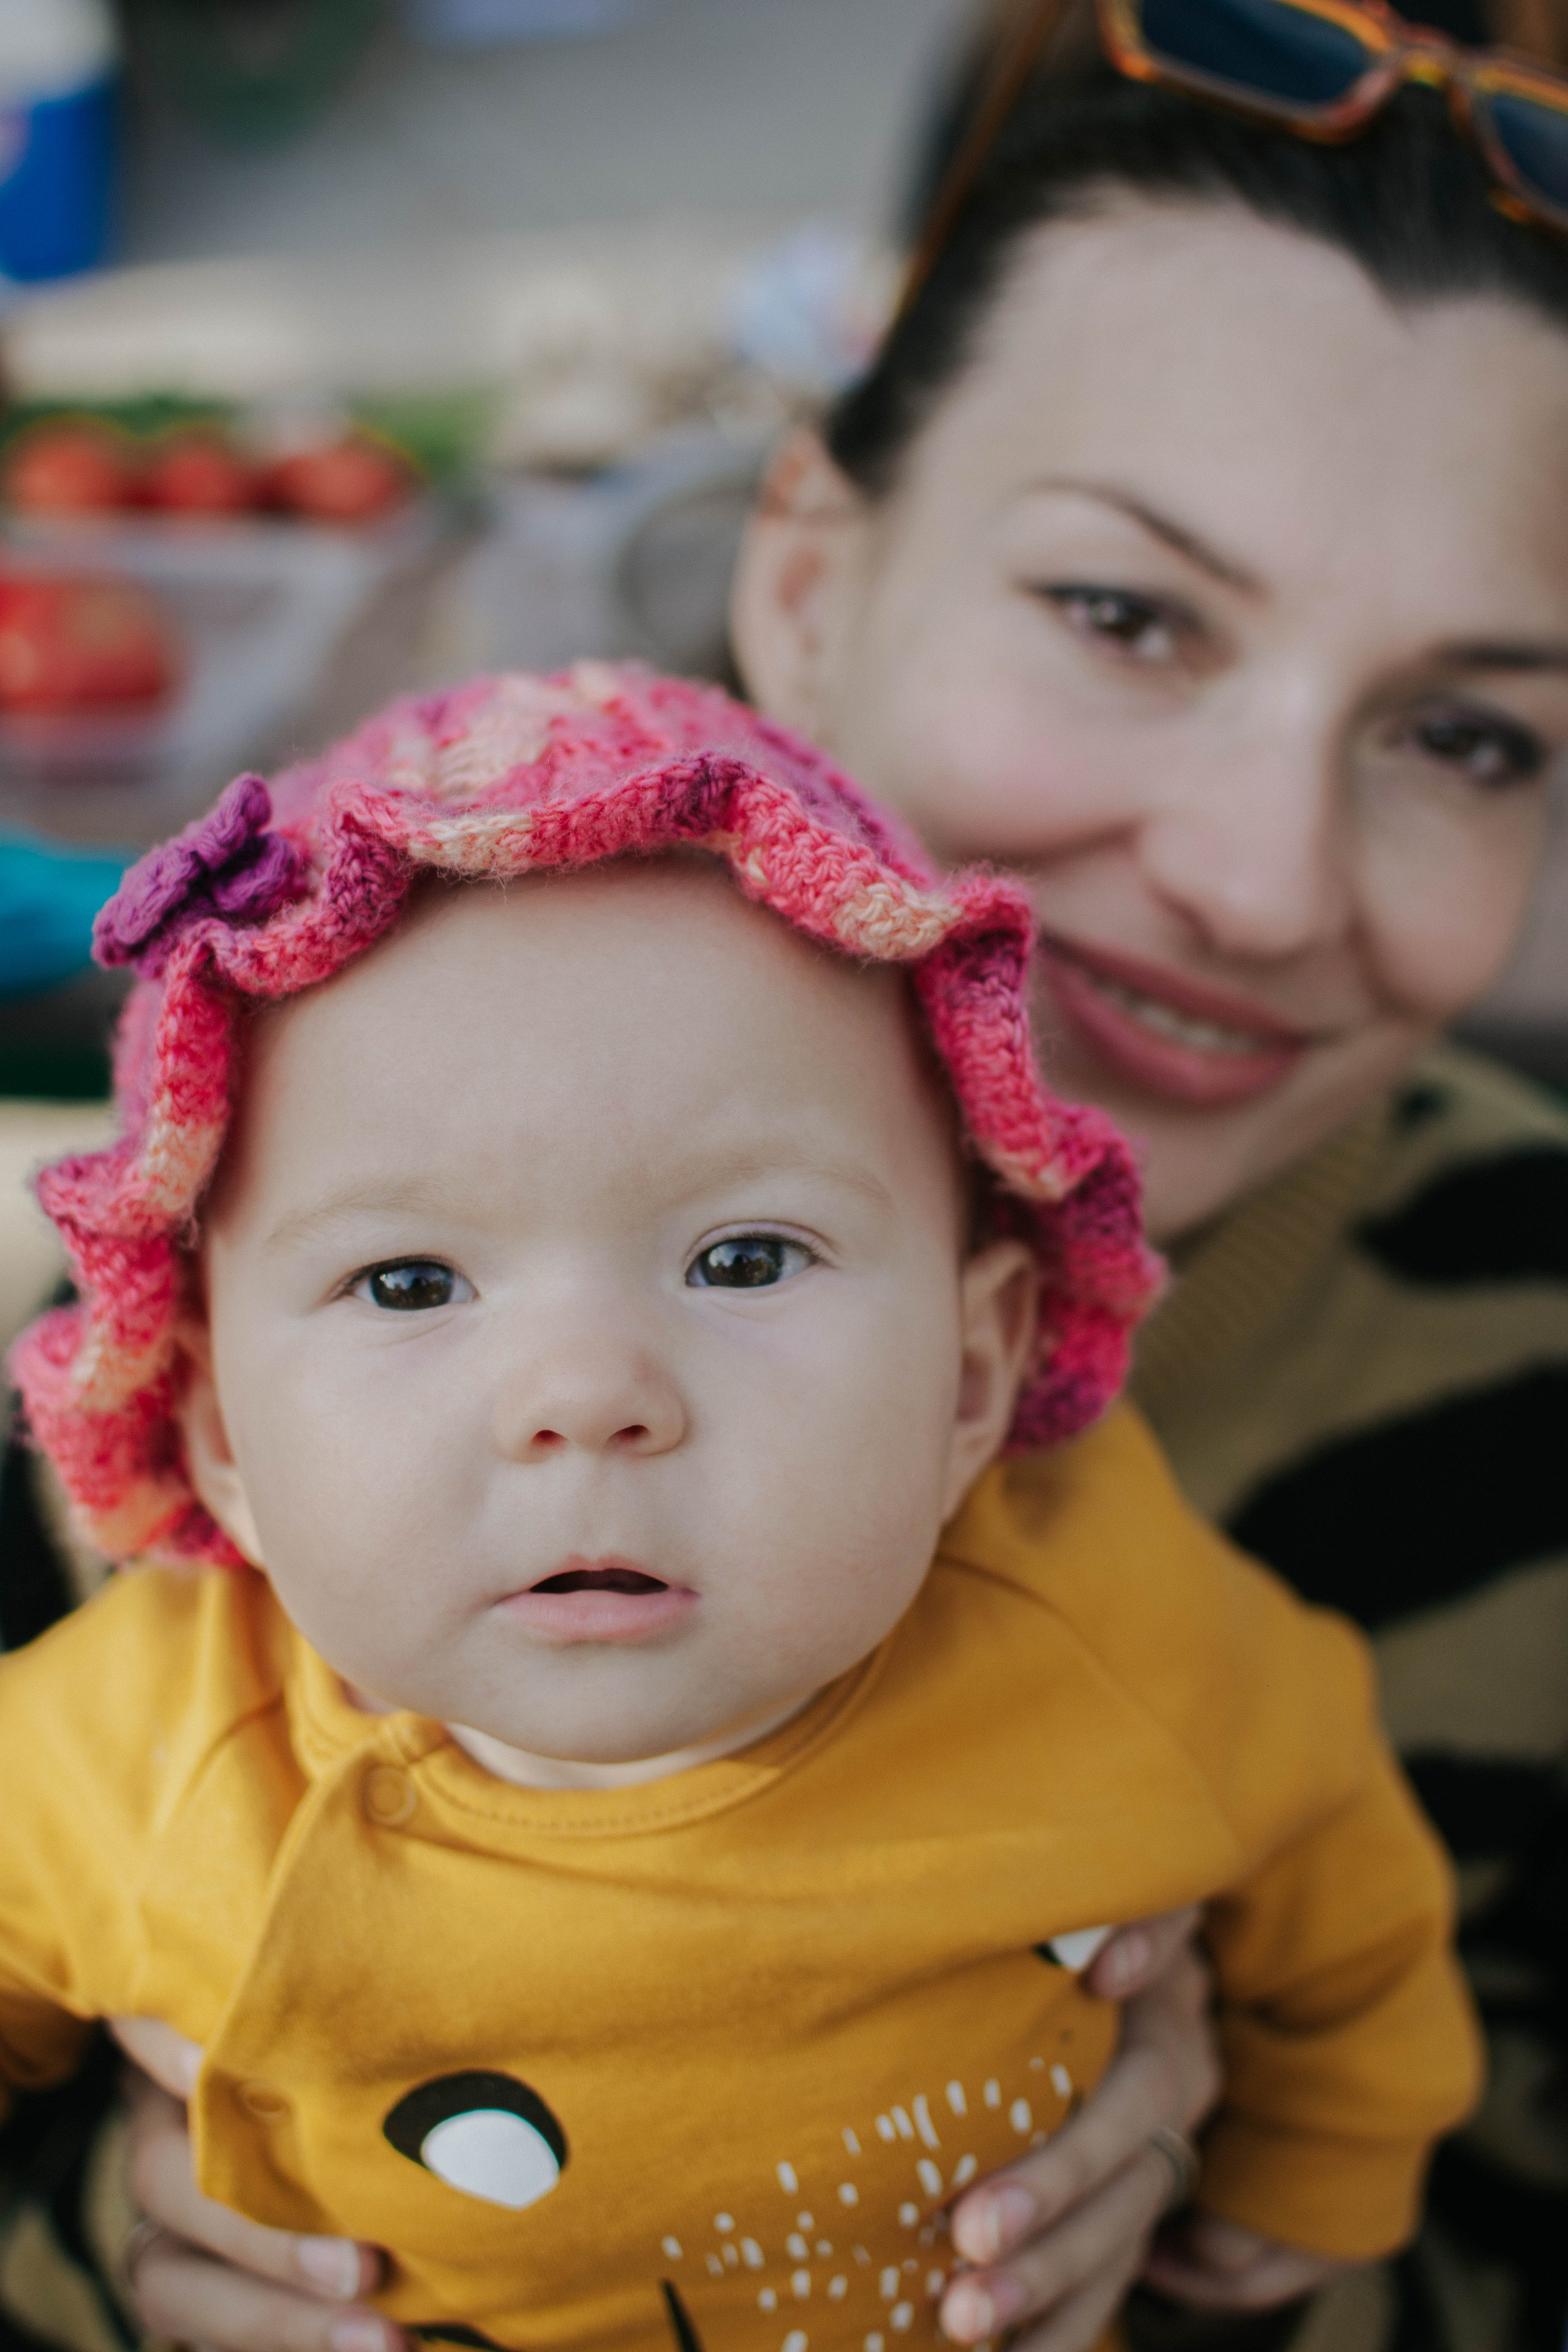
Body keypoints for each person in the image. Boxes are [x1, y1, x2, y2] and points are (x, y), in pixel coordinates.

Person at [8, 2, 1568, 2348]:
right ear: (814, 577)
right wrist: (117, 2262)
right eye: (1124, 614)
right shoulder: (179, 1338)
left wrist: (1242, 2241)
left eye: (1467, 731)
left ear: (982, 1367)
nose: (1254, 879)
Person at [0, 666, 1475, 2352]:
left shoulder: (1110, 1619)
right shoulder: (130, 1754)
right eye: (409, 1280)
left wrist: (1319, 2164)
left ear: (976, 1375)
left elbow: (1336, 1854)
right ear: (217, 1439)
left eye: (745, 1259)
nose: (586, 1396)